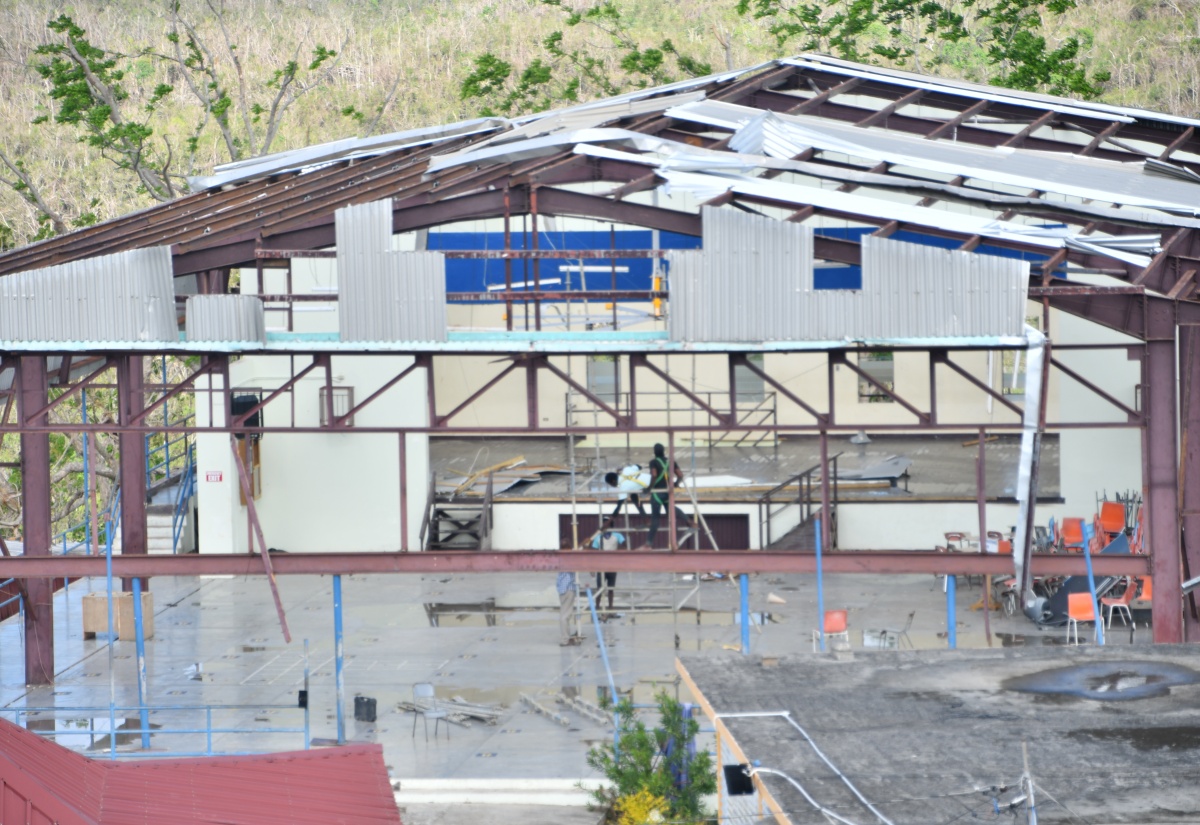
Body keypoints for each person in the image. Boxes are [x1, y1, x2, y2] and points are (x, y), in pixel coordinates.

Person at [643, 442, 692, 550]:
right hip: (667, 492)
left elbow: (654, 475)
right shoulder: (671, 462)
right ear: (664, 451)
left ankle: (649, 543)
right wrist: (676, 484)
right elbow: (680, 475)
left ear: (654, 452)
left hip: (657, 493)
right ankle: (688, 521)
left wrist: (648, 488)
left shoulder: (653, 462)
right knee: (671, 510)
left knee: (655, 518)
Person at [590, 520, 625, 614]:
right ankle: (597, 607)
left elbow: (624, 546)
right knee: (599, 588)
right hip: (601, 566)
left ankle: (610, 607)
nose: (605, 526)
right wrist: (592, 567)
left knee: (611, 588)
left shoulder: (617, 535)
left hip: (613, 566)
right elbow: (593, 552)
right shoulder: (598, 537)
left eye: (607, 524)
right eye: (604, 524)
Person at [557, 537, 581, 646]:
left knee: (565, 614)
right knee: (565, 616)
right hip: (568, 588)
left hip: (563, 588)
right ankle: (565, 640)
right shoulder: (568, 558)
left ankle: (566, 637)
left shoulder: (561, 557)